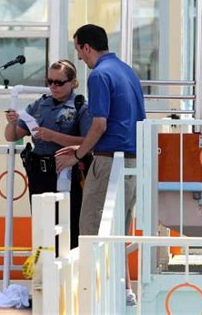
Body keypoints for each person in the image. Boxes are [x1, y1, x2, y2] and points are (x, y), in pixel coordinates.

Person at [55, 24, 146, 306]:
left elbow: (99, 124)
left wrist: (79, 154)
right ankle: (125, 292)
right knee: (118, 231)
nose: (79, 58)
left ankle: (90, 298)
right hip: (132, 162)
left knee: (91, 230)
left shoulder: (99, 75)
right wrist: (84, 147)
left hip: (109, 163)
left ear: (86, 47)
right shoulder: (126, 71)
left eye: (78, 50)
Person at [4, 59, 92, 249]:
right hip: (39, 174)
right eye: (50, 81)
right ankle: (43, 272)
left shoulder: (80, 107)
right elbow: (12, 136)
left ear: (73, 82)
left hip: (67, 173)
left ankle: (68, 275)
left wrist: (54, 136)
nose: (53, 86)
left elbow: (88, 142)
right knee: (42, 226)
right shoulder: (38, 105)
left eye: (59, 82)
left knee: (69, 225)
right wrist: (12, 122)